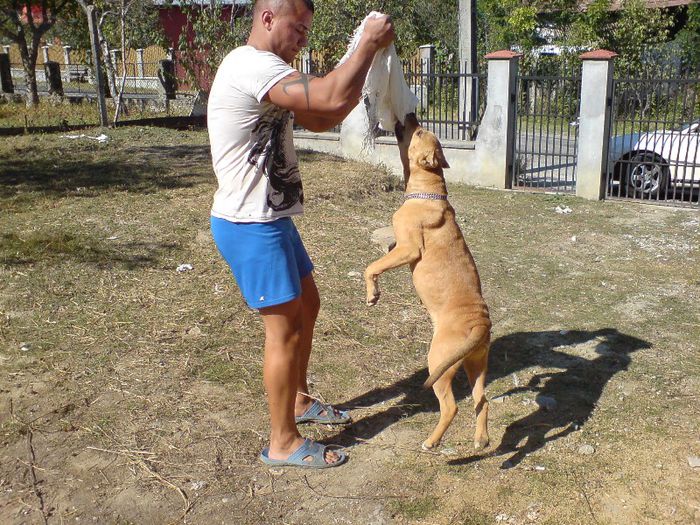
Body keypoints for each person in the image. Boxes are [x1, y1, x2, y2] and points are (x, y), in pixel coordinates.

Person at [207, 0, 395, 468]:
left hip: (271, 218)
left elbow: (322, 116)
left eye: (308, 30)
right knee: (284, 328)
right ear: (268, 19)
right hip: (250, 224)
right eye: (299, 27)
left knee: (307, 305)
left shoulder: (269, 71)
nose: (304, 38)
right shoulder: (251, 65)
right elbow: (329, 99)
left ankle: (298, 400)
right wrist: (367, 44)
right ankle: (283, 442)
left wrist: (362, 66)